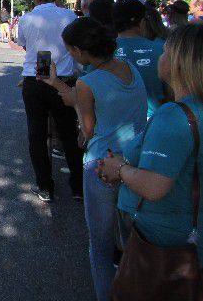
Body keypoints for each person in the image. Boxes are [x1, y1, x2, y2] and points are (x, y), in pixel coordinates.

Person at [42, 17, 147, 301]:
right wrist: (58, 86)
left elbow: (87, 128)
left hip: (101, 165)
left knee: (100, 247)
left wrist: (65, 96)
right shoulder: (130, 70)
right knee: (129, 241)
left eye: (70, 50)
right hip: (133, 163)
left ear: (79, 50)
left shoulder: (89, 81)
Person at [99, 24, 203, 267]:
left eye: (165, 51)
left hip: (162, 239)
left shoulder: (174, 116)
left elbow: (154, 186)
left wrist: (119, 168)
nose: (160, 55)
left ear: (179, 62)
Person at [17, 0, 83, 202]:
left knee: (36, 134)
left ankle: (45, 186)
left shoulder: (26, 19)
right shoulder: (69, 15)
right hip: (63, 79)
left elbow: (25, 45)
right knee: (68, 132)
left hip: (36, 75)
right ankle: (78, 185)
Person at [113, 0, 166, 118]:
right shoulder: (162, 49)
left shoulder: (100, 51)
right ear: (142, 22)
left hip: (114, 124)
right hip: (152, 122)